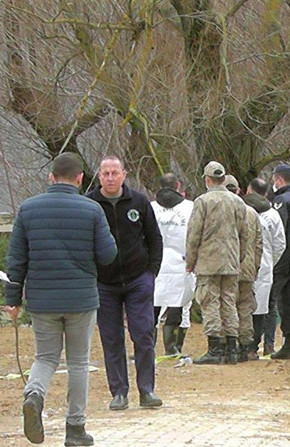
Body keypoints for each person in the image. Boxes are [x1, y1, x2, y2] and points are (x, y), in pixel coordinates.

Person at [5, 153, 118, 447]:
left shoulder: (28, 209)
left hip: (42, 300)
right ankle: (75, 428)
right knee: (78, 362)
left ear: (51, 177)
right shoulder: (92, 209)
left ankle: (34, 394)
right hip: (81, 298)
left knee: (45, 357)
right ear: (80, 178)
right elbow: (108, 255)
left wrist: (13, 298)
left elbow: (16, 259)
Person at [86, 155, 164, 410]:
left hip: (137, 279)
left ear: (124, 175)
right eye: (105, 173)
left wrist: (151, 273)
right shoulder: (90, 204)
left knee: (143, 335)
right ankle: (119, 392)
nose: (110, 178)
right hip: (104, 283)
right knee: (111, 338)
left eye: (114, 173)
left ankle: (147, 390)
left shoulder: (139, 202)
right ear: (99, 176)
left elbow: (154, 239)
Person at [186, 161, 247, 365]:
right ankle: (232, 348)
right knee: (229, 301)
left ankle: (215, 348)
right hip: (231, 260)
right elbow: (244, 234)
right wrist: (239, 257)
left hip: (208, 261)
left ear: (207, 179)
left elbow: (194, 234)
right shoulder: (237, 202)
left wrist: (190, 260)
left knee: (209, 301)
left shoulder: (202, 201)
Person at [151, 173, 195, 356]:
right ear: (178, 185)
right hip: (182, 262)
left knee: (152, 305)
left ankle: (147, 347)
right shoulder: (190, 207)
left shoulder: (150, 207)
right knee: (177, 304)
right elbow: (194, 234)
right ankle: (172, 347)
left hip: (156, 262)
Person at [242, 177, 286, 358]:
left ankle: (242, 346)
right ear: (266, 193)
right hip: (265, 266)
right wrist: (269, 262)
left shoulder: (242, 210)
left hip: (243, 264)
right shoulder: (273, 214)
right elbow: (280, 244)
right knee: (262, 307)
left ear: (248, 190)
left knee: (242, 305)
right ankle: (258, 346)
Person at [224, 174, 263, 362]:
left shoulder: (222, 210)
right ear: (238, 190)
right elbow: (259, 243)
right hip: (247, 267)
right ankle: (247, 347)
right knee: (246, 307)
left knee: (227, 304)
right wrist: (255, 266)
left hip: (227, 266)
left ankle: (229, 345)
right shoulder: (252, 213)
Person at [268, 163, 290, 359]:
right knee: (289, 299)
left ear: (278, 179)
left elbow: (278, 229)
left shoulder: (282, 200)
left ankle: (261, 343)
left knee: (272, 299)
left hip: (283, 257)